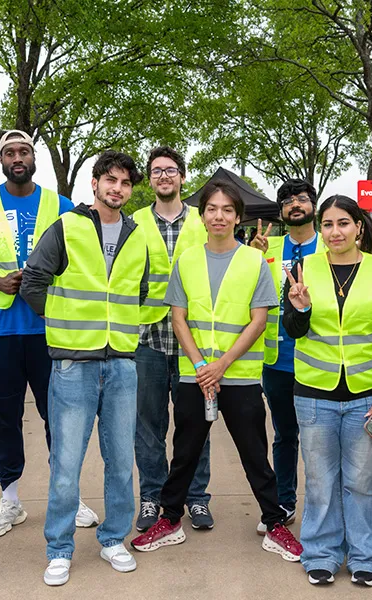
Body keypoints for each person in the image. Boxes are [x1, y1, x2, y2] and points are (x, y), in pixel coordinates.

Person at [130, 181, 303, 562]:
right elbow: (178, 318)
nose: (219, 216)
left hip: (239, 376)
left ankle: (274, 523)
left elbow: (258, 320)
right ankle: (170, 519)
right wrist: (200, 366)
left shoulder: (254, 261)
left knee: (255, 454)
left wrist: (221, 366)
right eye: (212, 209)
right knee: (184, 453)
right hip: (195, 375)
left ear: (238, 217)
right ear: (203, 215)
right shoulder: (187, 260)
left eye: (227, 210)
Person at [0, 129, 98, 539]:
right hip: (0, 331)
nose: (17, 158)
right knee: (5, 418)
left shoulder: (60, 205)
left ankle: (68, 496)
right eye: (10, 153)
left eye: (24, 151)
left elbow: (83, 260)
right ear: (1, 160)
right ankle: (11, 499)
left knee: (61, 417)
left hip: (51, 328)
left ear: (34, 158)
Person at [20, 150, 149, 586]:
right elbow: (33, 282)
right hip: (73, 364)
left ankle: (114, 539)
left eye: (125, 183)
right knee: (67, 464)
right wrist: (59, 322)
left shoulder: (136, 236)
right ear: (94, 183)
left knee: (121, 462)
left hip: (122, 364)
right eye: (110, 180)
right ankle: (59, 548)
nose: (118, 188)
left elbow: (139, 292)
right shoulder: (66, 227)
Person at [283, 195, 372, 587]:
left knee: (362, 480)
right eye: (328, 224)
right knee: (320, 480)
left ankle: (366, 555)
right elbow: (294, 331)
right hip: (314, 393)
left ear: (359, 227)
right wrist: (300, 309)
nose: (335, 232)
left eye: (343, 223)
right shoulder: (304, 268)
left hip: (365, 396)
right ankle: (321, 553)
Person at [132, 147, 212, 532]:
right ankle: (152, 498)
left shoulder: (203, 219)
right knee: (148, 427)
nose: (164, 176)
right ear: (150, 179)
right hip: (147, 339)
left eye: (170, 170)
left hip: (192, 339)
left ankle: (196, 498)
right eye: (156, 171)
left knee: (195, 425)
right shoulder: (133, 222)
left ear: (182, 176)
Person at [249, 178, 323, 530]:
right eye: (288, 201)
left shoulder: (329, 244)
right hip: (277, 361)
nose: (295, 204)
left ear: (313, 206)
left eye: (302, 199)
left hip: (319, 359)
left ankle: (323, 508)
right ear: (281, 212)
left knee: (320, 439)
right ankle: (284, 501)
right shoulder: (267, 246)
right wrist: (252, 254)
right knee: (284, 434)